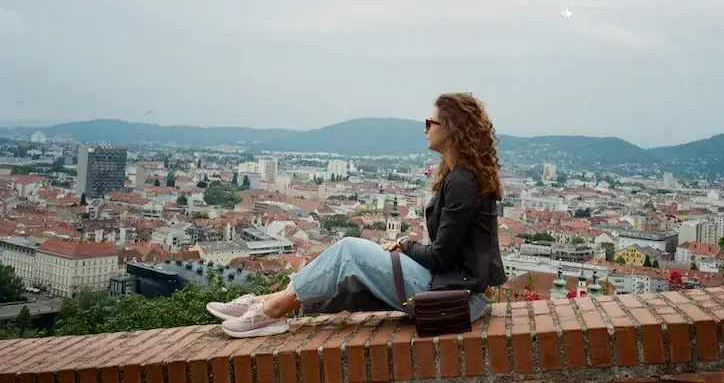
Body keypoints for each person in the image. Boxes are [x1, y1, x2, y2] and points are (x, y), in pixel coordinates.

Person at [208, 92, 507, 338]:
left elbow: (440, 257)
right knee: (348, 270)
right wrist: (408, 247)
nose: (425, 128)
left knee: (349, 252)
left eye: (431, 122)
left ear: (451, 129)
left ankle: (268, 312)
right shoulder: (461, 177)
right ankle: (266, 303)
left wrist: (406, 245)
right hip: (453, 290)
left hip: (453, 296)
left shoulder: (462, 181)